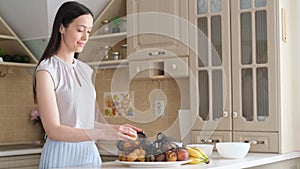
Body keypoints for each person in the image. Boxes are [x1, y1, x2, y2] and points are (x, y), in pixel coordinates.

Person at [33, 1, 141, 168]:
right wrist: (104, 133)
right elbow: (53, 130)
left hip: (89, 155)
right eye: (80, 30)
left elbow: (83, 122)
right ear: (61, 28)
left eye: (89, 31)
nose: (85, 37)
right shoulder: (47, 70)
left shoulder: (85, 70)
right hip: (62, 157)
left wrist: (114, 128)